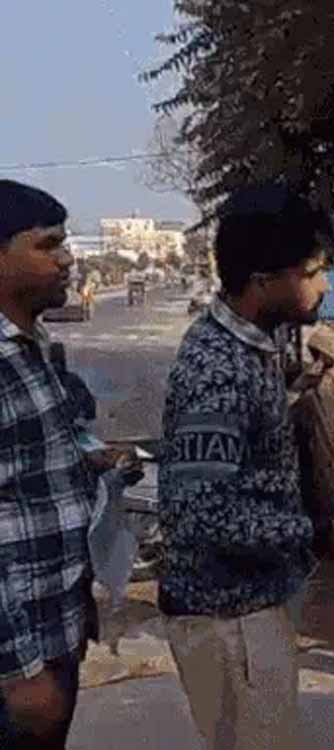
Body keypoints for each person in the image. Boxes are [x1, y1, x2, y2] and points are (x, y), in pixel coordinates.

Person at [156, 184, 334, 750]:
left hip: (253, 603)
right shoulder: (218, 369)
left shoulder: (253, 345)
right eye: (311, 272)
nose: (323, 285)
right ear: (263, 281)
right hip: (226, 615)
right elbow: (202, 515)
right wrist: (320, 534)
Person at [0, 180, 108, 749]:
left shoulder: (33, 346)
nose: (67, 259)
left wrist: (94, 460)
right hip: (17, 661)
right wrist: (17, 669)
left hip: (56, 632)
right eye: (48, 245)